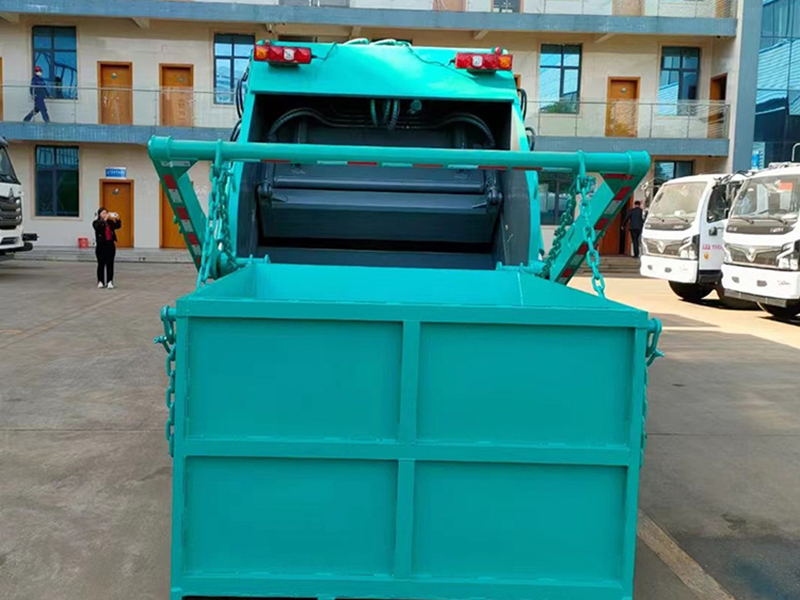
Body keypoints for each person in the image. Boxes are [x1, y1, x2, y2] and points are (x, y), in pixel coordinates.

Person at [93, 207, 121, 289]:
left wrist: (118, 219)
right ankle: (100, 281)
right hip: (101, 245)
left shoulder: (110, 222)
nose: (105, 215)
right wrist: (104, 220)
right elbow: (99, 228)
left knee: (110, 264)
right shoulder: (96, 222)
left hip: (110, 244)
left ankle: (109, 281)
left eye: (106, 213)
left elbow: (117, 226)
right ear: (99, 214)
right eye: (103, 213)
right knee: (101, 264)